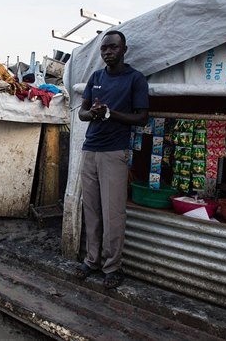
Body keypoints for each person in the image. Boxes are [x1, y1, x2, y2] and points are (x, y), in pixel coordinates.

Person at [75, 30, 149, 288]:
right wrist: (93, 112)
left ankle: (112, 267)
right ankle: (91, 260)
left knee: (113, 213)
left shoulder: (135, 79)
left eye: (113, 48)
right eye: (104, 48)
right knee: (92, 209)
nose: (108, 52)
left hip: (115, 152)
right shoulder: (96, 77)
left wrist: (111, 113)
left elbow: (141, 117)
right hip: (90, 149)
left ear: (124, 49)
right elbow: (82, 113)